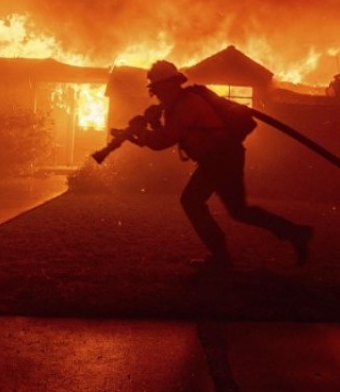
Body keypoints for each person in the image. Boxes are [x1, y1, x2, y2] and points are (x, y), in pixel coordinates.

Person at [127, 60, 313, 270]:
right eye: (155, 90)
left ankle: (221, 257)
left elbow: (163, 141)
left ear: (170, 85)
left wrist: (140, 132)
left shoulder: (186, 105)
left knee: (191, 201)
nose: (157, 95)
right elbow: (170, 134)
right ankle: (295, 233)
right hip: (224, 156)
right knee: (239, 210)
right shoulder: (178, 104)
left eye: (158, 89)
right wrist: (154, 123)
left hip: (219, 157)